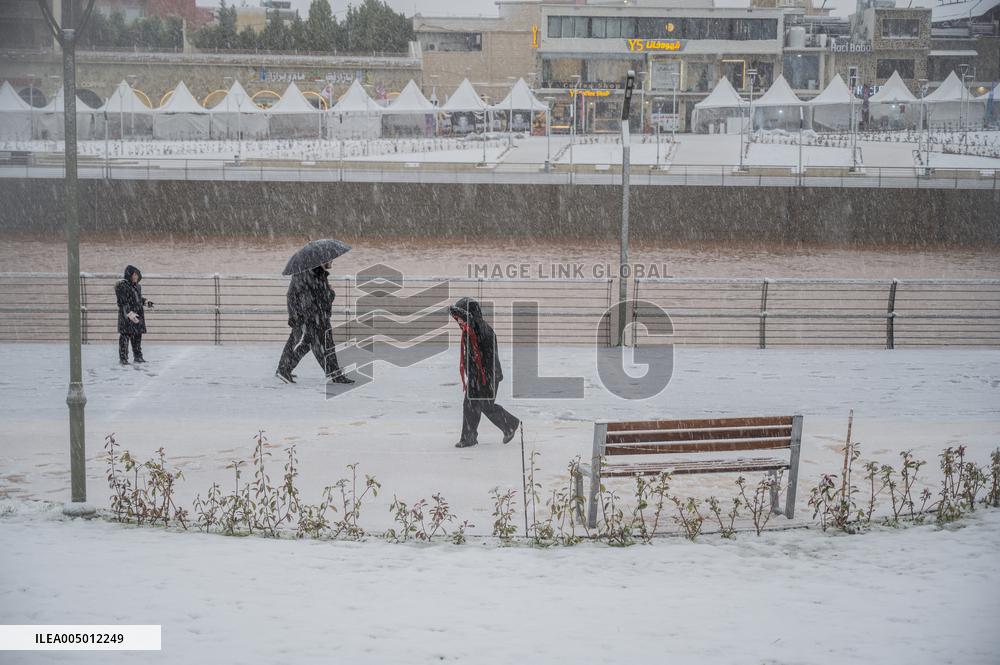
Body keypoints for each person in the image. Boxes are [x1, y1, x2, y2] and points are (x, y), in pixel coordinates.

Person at [450, 297, 519, 448]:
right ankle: (469, 438)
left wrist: (483, 379)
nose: (458, 322)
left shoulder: (484, 332)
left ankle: (510, 425)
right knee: (470, 405)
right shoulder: (470, 330)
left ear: (470, 315)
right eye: (457, 319)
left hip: (488, 375)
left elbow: (489, 359)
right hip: (477, 375)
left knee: (485, 405)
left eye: (460, 318)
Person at [276, 262, 353, 384]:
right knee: (325, 346)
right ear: (322, 261)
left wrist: (295, 315)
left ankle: (284, 368)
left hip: (312, 316)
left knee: (310, 344)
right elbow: (322, 299)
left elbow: (294, 295)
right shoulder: (315, 275)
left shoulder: (308, 273)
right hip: (316, 316)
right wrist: (331, 292)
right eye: (329, 259)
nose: (332, 261)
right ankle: (334, 374)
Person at [115, 264, 152, 365]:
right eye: (134, 274)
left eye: (137, 275)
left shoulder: (137, 286)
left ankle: (138, 357)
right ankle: (123, 359)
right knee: (125, 337)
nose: (136, 277)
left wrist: (146, 302)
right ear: (129, 275)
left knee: (137, 336)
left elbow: (138, 298)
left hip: (137, 314)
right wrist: (130, 314)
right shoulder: (122, 286)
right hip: (127, 316)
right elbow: (122, 302)